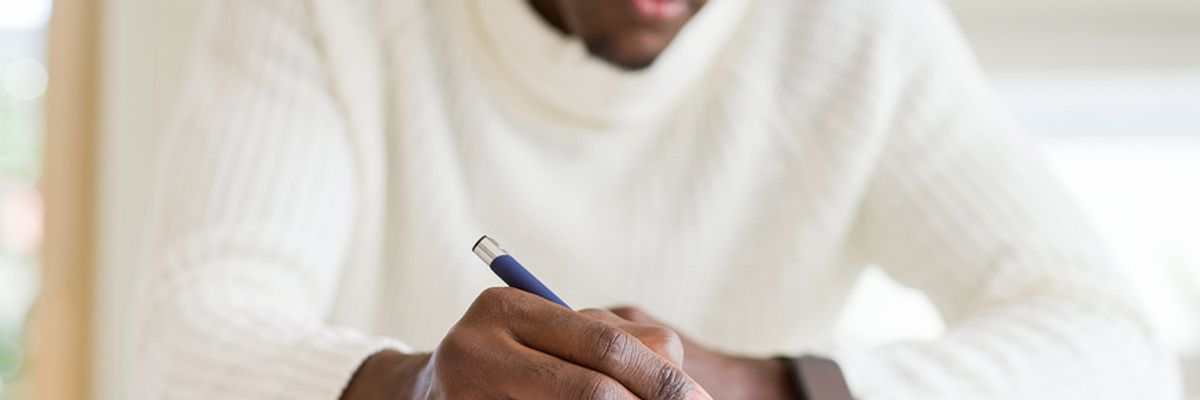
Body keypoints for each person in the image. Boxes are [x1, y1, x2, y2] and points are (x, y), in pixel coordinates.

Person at [138, 0, 1181, 398]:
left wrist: (747, 383)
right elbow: (184, 341)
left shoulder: (862, 31)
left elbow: (1112, 349)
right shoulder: (325, 16)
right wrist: (421, 390)